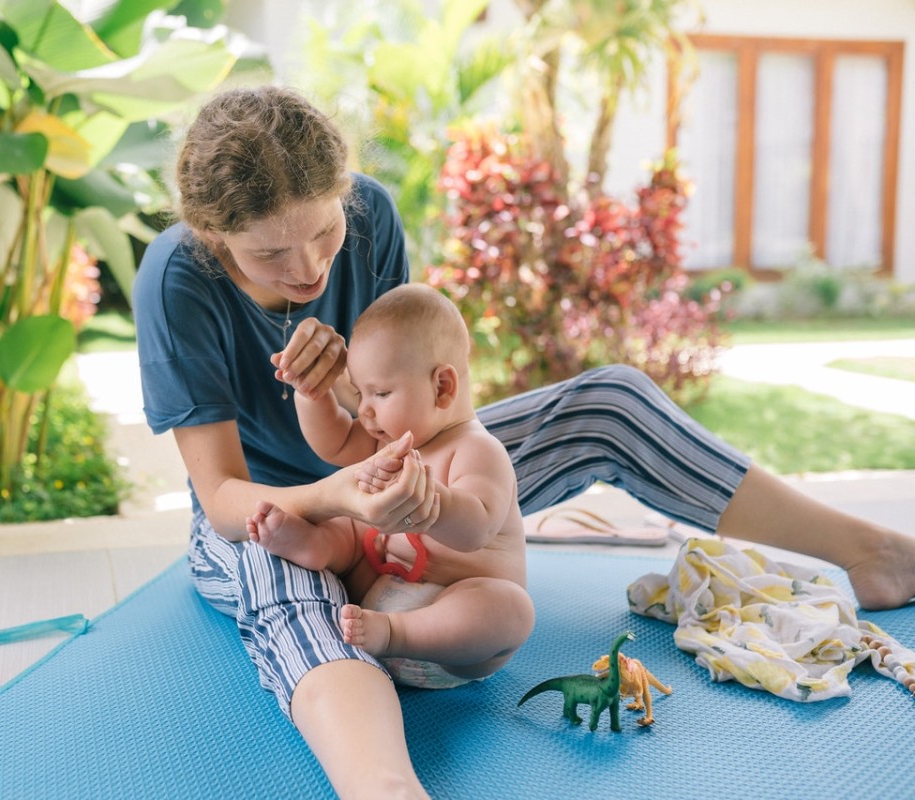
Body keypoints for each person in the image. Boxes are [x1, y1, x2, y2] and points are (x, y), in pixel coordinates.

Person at [133, 85, 915, 799]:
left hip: (391, 470)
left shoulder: (370, 216)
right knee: (292, 578)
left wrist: (357, 414)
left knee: (609, 399)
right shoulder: (178, 278)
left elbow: (399, 395)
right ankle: (385, 788)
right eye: (272, 253)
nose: (307, 267)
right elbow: (225, 500)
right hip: (274, 512)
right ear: (213, 236)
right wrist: (340, 498)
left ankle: (869, 552)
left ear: (344, 198)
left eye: (324, 232)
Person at [245, 283, 534, 690]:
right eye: (360, 392)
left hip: (450, 638)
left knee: (512, 610)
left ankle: (396, 633)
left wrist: (431, 503)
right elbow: (335, 441)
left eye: (380, 393)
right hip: (372, 600)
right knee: (352, 523)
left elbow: (477, 529)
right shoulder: (384, 440)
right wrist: (312, 394)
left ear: (442, 387)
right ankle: (316, 546)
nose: (364, 409)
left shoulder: (477, 451)